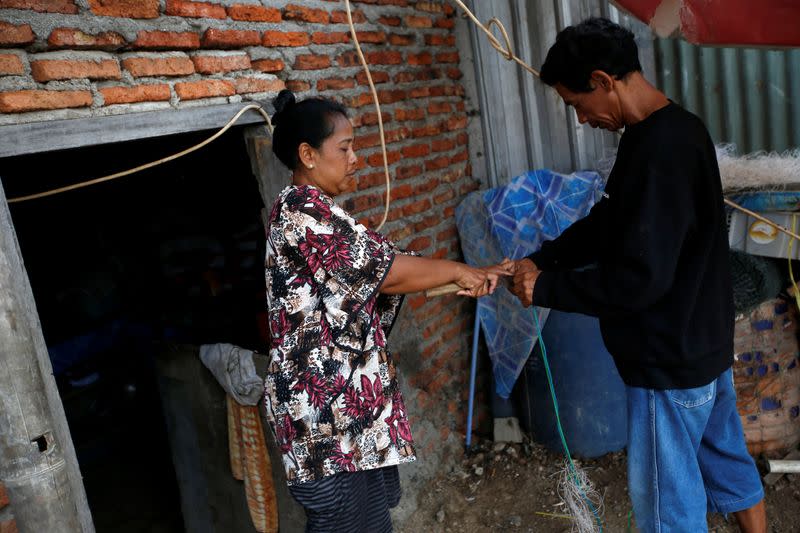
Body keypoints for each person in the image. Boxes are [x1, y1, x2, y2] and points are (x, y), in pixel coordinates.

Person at [504, 18, 767, 532]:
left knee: (670, 509)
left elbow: (639, 280)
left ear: (603, 81)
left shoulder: (659, 151)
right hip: (705, 346)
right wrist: (546, 257)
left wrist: (548, 289)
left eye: (578, 104)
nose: (582, 120)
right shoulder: (673, 130)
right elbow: (610, 222)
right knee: (728, 465)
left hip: (666, 361)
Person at [263, 89, 505, 532]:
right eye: (345, 147)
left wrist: (463, 275)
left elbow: (384, 267)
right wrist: (458, 270)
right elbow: (386, 273)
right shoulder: (301, 215)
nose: (355, 158)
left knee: (370, 521)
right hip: (324, 418)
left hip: (347, 409)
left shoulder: (325, 215)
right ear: (308, 155)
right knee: (345, 523)